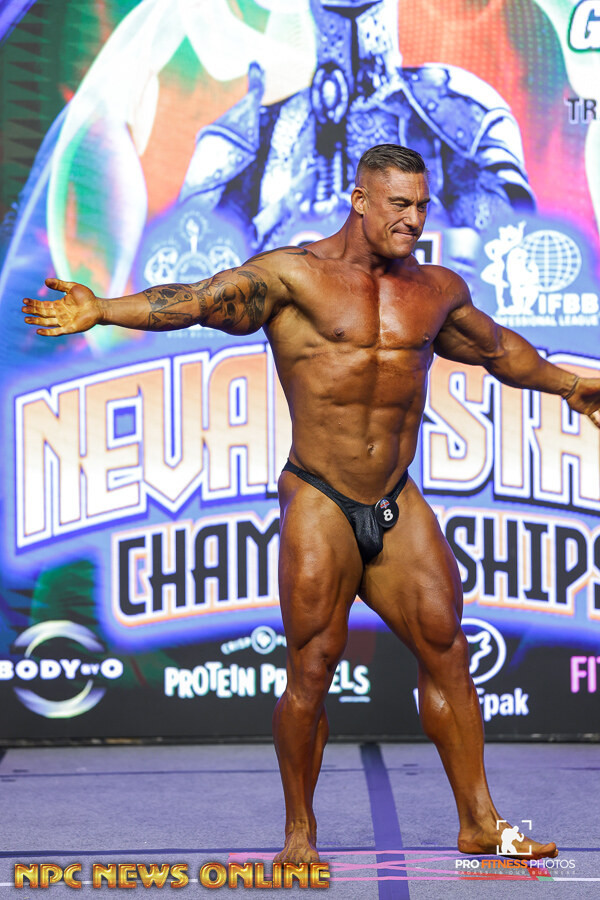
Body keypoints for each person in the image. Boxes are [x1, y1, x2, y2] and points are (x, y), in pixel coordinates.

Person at [23, 144, 600, 865]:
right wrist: (104, 308)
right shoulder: (294, 277)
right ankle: (300, 831)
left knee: (447, 648)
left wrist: (569, 385)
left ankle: (480, 822)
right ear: (360, 201)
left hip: (395, 498)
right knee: (313, 666)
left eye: (422, 206)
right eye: (399, 205)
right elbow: (200, 299)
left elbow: (495, 350)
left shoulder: (435, 289)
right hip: (321, 496)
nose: (414, 220)